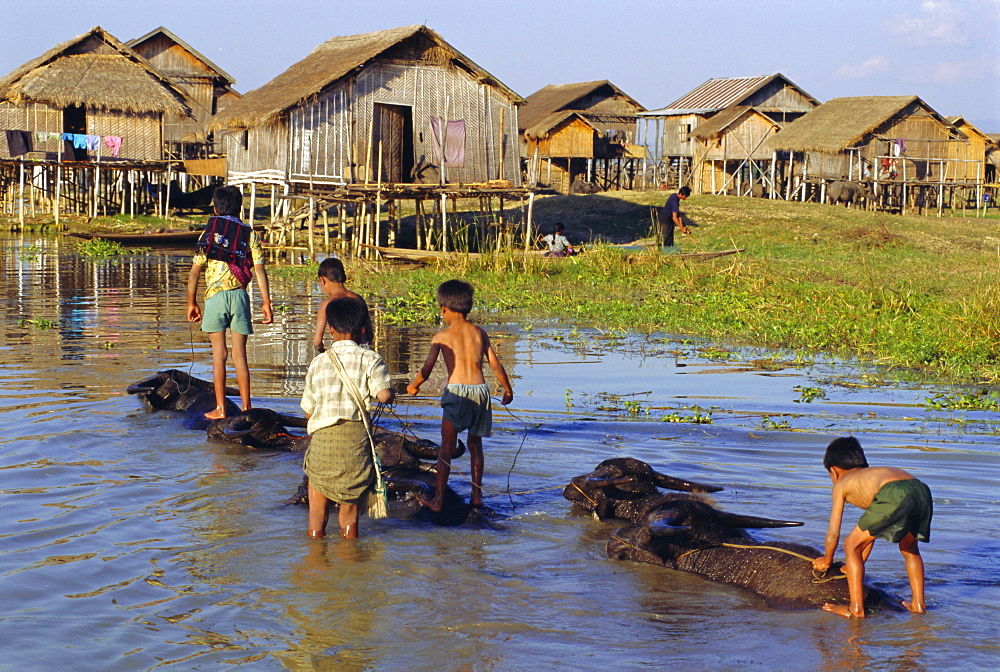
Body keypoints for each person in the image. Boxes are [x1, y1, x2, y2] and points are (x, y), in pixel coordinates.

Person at [406, 280, 514, 511]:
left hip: (457, 393)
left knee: (446, 447)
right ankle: (476, 495)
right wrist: (507, 389)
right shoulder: (479, 333)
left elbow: (426, 369)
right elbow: (495, 365)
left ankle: (438, 500)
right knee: (476, 445)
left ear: (443, 309)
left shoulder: (441, 336)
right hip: (480, 392)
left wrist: (413, 386)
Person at [301, 297, 395, 539]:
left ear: (330, 330)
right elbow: (384, 395)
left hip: (323, 441)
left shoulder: (318, 362)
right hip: (354, 442)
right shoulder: (370, 359)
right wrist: (391, 392)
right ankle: (350, 559)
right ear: (362, 329)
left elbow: (308, 410)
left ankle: (314, 561)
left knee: (316, 513)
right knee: (349, 513)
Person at [812, 436, 932, 618]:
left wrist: (827, 560)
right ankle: (918, 604)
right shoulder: (872, 476)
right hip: (921, 490)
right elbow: (872, 532)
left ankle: (856, 609)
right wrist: (855, 563)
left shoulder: (842, 484)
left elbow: (833, 532)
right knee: (909, 548)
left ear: (834, 471)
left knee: (850, 544)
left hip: (894, 493)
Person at [187, 185, 272, 419]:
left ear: (215, 208)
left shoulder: (209, 233)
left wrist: (191, 302)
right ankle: (247, 407)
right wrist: (266, 301)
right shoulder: (249, 233)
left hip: (215, 297)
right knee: (240, 356)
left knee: (219, 355)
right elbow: (260, 271)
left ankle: (221, 409)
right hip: (240, 297)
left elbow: (194, 273)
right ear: (240, 208)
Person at [312, 257, 372, 353]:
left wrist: (325, 353)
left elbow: (317, 341)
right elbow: (369, 335)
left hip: (339, 352)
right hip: (362, 350)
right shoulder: (359, 299)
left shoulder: (326, 304)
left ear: (322, 280)